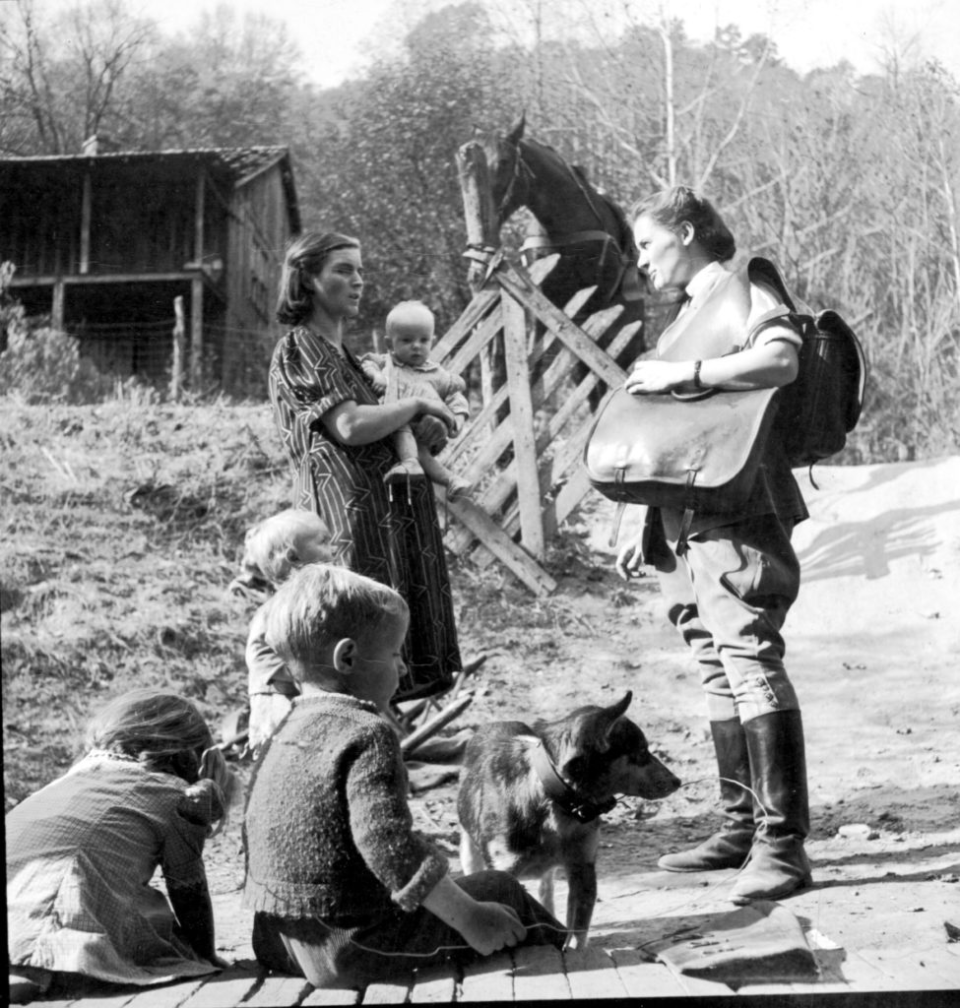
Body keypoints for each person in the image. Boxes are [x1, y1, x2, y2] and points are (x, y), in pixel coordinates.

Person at [616, 185, 811, 904]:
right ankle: (741, 827)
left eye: (648, 244)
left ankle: (783, 846)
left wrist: (686, 373)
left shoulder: (744, 286)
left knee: (749, 657)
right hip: (686, 518)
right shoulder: (687, 317)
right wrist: (641, 519)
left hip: (740, 508)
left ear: (689, 232)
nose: (642, 261)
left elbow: (781, 360)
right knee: (715, 664)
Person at [242, 563, 565, 989]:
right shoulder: (366, 733)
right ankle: (569, 953)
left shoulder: (285, 729)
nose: (405, 669)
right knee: (500, 889)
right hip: (352, 947)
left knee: (456, 889)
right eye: (395, 655)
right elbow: (387, 844)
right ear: (348, 657)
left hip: (276, 938)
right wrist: (470, 917)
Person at [269, 232, 462, 702]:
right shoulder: (301, 347)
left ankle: (391, 731)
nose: (358, 281)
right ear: (308, 279)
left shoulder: (348, 356)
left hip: (383, 522)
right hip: (346, 524)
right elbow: (351, 425)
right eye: (343, 270)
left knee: (384, 656)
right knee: (353, 647)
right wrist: (416, 405)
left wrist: (424, 427)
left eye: (360, 270)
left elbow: (386, 423)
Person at [6, 689, 236, 1003]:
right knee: (147, 919)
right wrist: (205, 954)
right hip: (60, 897)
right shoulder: (176, 795)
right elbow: (188, 888)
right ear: (190, 754)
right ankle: (31, 970)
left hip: (16, 882)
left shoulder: (72, 778)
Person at [231, 508, 334, 756]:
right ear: (294, 557)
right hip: (278, 697)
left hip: (300, 692)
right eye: (323, 542)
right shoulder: (281, 610)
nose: (334, 547)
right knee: (288, 754)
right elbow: (260, 658)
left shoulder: (311, 601)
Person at [360, 300, 473, 499]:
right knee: (421, 453)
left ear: (432, 341)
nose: (416, 346)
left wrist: (456, 420)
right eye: (406, 340)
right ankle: (451, 480)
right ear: (390, 343)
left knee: (418, 447)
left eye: (424, 340)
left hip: (424, 429)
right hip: (395, 422)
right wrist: (377, 376)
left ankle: (412, 465)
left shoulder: (437, 373)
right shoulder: (386, 362)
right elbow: (366, 363)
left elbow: (455, 397)